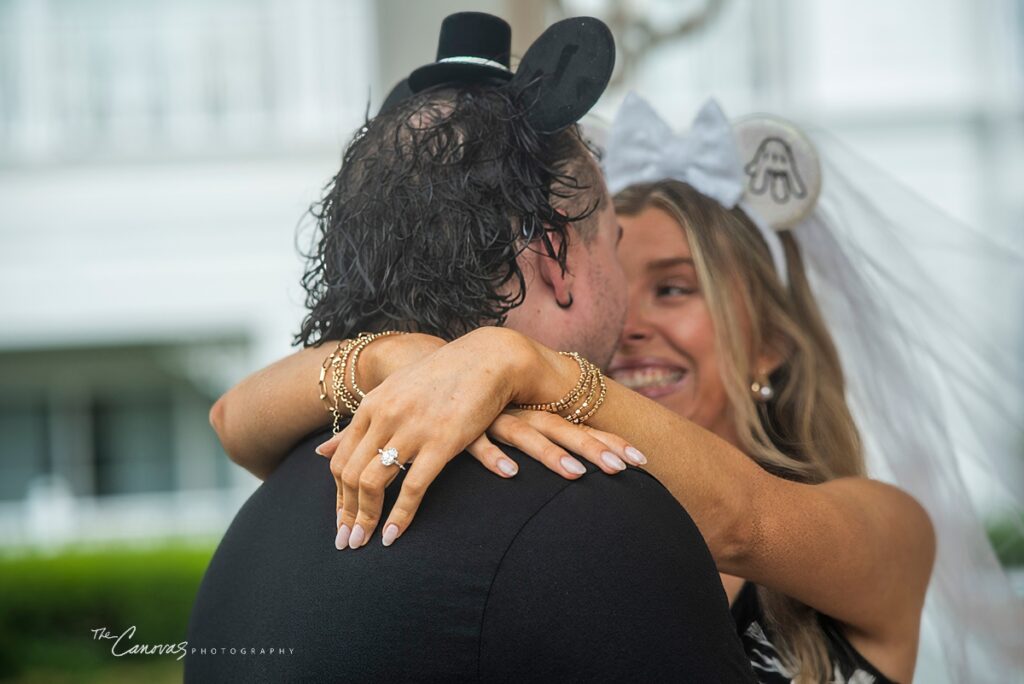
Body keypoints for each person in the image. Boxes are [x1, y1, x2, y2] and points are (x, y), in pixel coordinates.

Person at [210, 91, 962, 681]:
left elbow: (745, 519)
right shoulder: (552, 488)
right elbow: (234, 420)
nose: (632, 319)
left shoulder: (887, 526)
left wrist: (533, 363)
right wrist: (385, 360)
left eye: (673, 290)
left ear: (769, 341)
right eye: (626, 284)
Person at [186, 13, 758, 683]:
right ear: (555, 255)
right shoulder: (595, 520)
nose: (631, 295)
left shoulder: (262, 526)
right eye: (615, 244)